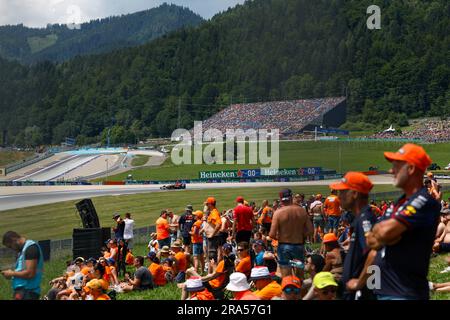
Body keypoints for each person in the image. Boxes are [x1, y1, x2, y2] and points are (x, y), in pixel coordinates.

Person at [366, 143, 441, 300]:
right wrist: (385, 234)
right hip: (384, 289)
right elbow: (372, 240)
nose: (391, 170)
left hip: (404, 292)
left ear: (411, 169)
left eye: (396, 166)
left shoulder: (423, 201)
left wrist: (383, 233)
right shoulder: (398, 202)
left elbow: (384, 233)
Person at [329, 171, 377, 300]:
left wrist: (361, 283)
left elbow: (375, 252)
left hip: (361, 293)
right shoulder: (360, 219)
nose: (339, 197)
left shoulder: (365, 220)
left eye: (343, 192)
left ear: (355, 194)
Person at [269, 189, 313, 278]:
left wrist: (280, 237)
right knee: (299, 276)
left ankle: (289, 290)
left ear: (281, 199)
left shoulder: (278, 212)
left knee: (286, 278)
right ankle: (300, 291)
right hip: (298, 246)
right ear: (291, 197)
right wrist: (301, 236)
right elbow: (311, 230)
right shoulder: (302, 211)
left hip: (284, 246)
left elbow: (272, 234)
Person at [1, 231, 44, 300]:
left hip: (28, 292)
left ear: (14, 239)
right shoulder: (22, 251)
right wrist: (10, 275)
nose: (12, 249)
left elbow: (30, 274)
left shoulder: (30, 248)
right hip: (23, 292)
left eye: (10, 246)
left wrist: (12, 273)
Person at [202, 197, 222, 271]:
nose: (206, 206)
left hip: (213, 238)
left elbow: (219, 224)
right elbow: (210, 224)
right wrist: (203, 230)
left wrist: (212, 234)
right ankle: (210, 274)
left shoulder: (214, 213)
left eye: (207, 204)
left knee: (212, 256)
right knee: (210, 257)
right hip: (210, 237)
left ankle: (214, 275)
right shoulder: (212, 212)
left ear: (210, 204)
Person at [190, 210, 205, 274]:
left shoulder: (196, 223)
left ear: (198, 216)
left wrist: (189, 232)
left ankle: (195, 272)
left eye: (195, 215)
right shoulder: (201, 222)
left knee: (195, 258)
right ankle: (202, 271)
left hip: (196, 242)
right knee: (201, 258)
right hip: (201, 241)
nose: (194, 216)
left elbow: (194, 233)